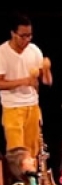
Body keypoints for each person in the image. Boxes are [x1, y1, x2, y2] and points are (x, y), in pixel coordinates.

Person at [0, 13, 52, 156]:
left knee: (33, 151)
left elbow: (47, 82)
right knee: (17, 152)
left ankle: (32, 178)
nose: (27, 40)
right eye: (23, 36)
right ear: (13, 33)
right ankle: (17, 179)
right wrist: (24, 81)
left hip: (32, 106)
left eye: (29, 36)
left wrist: (46, 70)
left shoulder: (34, 50)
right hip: (12, 108)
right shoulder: (2, 52)